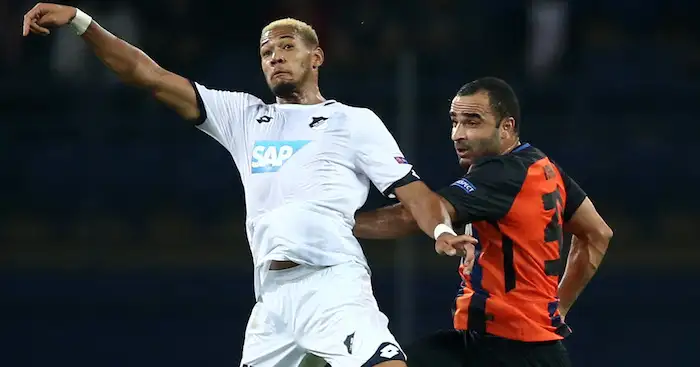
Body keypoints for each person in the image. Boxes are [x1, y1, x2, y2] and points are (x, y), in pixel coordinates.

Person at [21, 4, 475, 367]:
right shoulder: (246, 117)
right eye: (265, 52)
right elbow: (149, 76)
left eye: (286, 46)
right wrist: (83, 23)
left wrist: (439, 232)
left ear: (315, 57)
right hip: (271, 302)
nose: (274, 56)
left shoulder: (351, 121)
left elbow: (412, 191)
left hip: (331, 284)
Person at [354, 77, 613, 366]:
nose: (457, 134)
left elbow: (414, 214)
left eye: (473, 122)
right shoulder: (543, 166)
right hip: (495, 343)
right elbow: (598, 233)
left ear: (507, 127)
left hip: (514, 351)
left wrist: (333, 222)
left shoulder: (502, 174)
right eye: (455, 121)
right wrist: (559, 307)